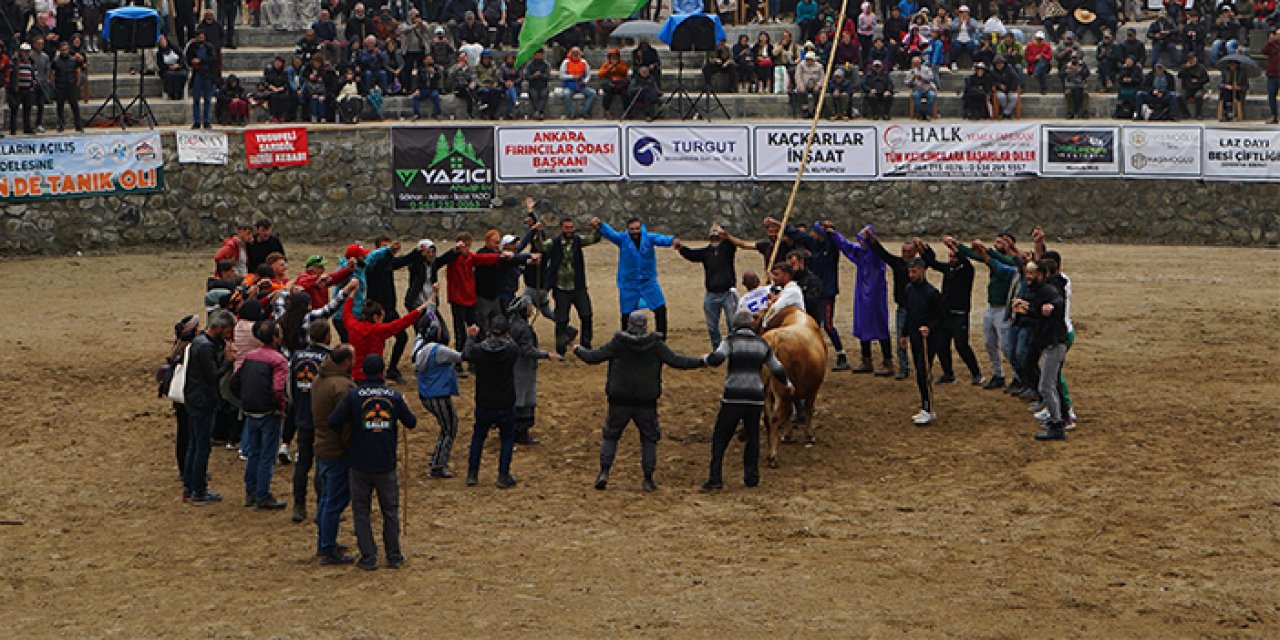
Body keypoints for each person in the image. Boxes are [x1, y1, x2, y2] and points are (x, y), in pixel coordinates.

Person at [575, 311, 705, 492]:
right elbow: (677, 361)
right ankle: (648, 479)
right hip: (646, 401)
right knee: (649, 439)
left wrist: (577, 349)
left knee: (611, 435)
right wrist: (701, 362)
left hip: (619, 400)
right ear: (645, 326)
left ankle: (604, 472)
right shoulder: (655, 345)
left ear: (629, 325)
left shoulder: (618, 344)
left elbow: (593, 357)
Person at [327, 354, 416, 570]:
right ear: (383, 372)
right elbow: (411, 422)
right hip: (385, 461)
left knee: (361, 511)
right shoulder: (394, 396)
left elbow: (333, 421)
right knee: (390, 511)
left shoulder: (353, 396)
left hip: (359, 461)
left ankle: (368, 556)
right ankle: (393, 555)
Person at [701, 311, 791, 491]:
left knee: (720, 437)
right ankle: (751, 477)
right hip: (755, 398)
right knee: (753, 437)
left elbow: (717, 359)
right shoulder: (762, 344)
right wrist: (788, 383)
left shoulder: (731, 341)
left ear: (735, 325)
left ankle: (715, 477)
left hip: (733, 395)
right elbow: (776, 367)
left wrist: (705, 359)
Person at [231, 318, 290, 510]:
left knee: (254, 453)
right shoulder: (279, 360)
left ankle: (251, 492)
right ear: (275, 338)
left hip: (250, 410)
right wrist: (280, 408)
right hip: (268, 412)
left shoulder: (250, 356)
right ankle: (262, 494)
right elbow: (278, 389)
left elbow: (235, 381)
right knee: (267, 455)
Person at [182, 311, 235, 505]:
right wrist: (228, 362)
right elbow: (214, 376)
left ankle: (190, 487)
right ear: (220, 328)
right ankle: (198, 490)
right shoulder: (205, 348)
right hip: (203, 401)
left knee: (194, 444)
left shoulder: (200, 342)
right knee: (201, 447)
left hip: (194, 399)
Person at [461, 317, 521, 488]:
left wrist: (471, 337)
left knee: (478, 437)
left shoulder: (479, 351)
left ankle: (472, 473)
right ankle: (503, 475)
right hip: (505, 401)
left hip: (485, 401)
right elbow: (513, 345)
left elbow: (466, 354)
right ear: (506, 333)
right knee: (507, 439)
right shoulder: (511, 350)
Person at [956, 232, 1020, 391]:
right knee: (989, 343)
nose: (998, 245)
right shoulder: (998, 258)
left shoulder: (1013, 261)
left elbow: (996, 260)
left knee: (1006, 346)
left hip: (1004, 309)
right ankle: (999, 374)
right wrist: (957, 246)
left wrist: (986, 251)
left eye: (1002, 242)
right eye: (997, 241)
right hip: (992, 307)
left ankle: (1018, 377)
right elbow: (977, 256)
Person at [434, 232, 510, 363]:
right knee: (460, 333)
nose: (466, 249)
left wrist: (500, 257)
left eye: (468, 246)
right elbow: (439, 262)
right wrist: (454, 251)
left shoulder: (470, 257)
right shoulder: (452, 258)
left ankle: (473, 359)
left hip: (470, 299)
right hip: (458, 300)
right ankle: (458, 361)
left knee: (475, 329)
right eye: (464, 246)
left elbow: (484, 258)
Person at [312, 344, 357, 565]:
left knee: (326, 498)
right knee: (335, 500)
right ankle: (327, 547)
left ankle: (325, 541)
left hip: (322, 445)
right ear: (346, 362)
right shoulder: (342, 387)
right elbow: (346, 425)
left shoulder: (320, 379)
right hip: (336, 449)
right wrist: (353, 447)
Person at [829, 225, 894, 376]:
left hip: (876, 296)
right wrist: (834, 233)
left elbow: (879, 251)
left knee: (880, 325)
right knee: (863, 324)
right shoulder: (861, 254)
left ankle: (888, 360)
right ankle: (866, 359)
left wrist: (872, 240)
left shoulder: (877, 256)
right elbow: (846, 246)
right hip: (863, 296)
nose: (862, 243)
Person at [1015, 262, 1069, 440]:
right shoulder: (1034, 291)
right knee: (1048, 384)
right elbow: (1036, 314)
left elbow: (1058, 301)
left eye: (1032, 273)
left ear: (1041, 274)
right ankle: (1057, 419)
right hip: (1047, 342)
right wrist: (1027, 308)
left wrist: (1051, 307)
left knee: (1046, 386)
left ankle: (1057, 422)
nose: (1029, 277)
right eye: (1026, 273)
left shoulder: (1048, 290)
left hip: (1054, 343)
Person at [596, 216, 675, 338]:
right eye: (632, 229)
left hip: (648, 281)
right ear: (628, 230)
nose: (635, 232)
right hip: (628, 284)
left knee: (660, 309)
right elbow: (611, 234)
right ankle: (625, 340)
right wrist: (601, 225)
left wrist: (672, 240)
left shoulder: (648, 238)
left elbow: (661, 239)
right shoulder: (622, 239)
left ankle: (661, 339)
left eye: (637, 228)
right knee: (626, 314)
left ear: (641, 228)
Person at [534, 217, 600, 356]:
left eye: (571, 227)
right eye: (566, 227)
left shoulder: (577, 240)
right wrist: (538, 234)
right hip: (561, 287)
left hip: (578, 286)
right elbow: (542, 246)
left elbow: (593, 239)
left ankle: (586, 345)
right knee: (561, 319)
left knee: (586, 315)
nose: (569, 230)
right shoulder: (555, 242)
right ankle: (561, 349)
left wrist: (597, 228)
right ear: (561, 228)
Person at [287, 320, 332, 523]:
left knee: (302, 463)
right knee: (323, 464)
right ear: (326, 337)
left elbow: (289, 388)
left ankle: (299, 504)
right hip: (323, 419)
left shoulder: (297, 357)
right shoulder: (329, 359)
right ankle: (323, 506)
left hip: (302, 414)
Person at [922, 238, 984, 385]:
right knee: (942, 345)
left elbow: (964, 259)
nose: (951, 259)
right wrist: (923, 249)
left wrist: (954, 246)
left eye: (954, 256)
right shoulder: (949, 269)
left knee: (961, 345)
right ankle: (948, 374)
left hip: (959, 314)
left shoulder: (967, 270)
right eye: (950, 256)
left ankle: (977, 373)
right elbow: (932, 263)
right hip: (946, 314)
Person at [411, 310, 462, 478]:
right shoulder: (439, 350)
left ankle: (437, 457)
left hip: (426, 394)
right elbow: (462, 356)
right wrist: (472, 337)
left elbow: (429, 316)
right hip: (438, 395)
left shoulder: (419, 344)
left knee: (446, 425)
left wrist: (432, 300)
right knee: (450, 428)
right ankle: (437, 466)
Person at [341, 285, 427, 382]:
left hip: (355, 375)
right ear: (375, 317)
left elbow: (346, 313)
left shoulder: (353, 326)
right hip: (375, 376)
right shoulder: (378, 330)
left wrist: (351, 295)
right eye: (381, 318)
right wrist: (423, 307)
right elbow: (401, 323)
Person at [867, 230, 921, 380]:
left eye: (909, 251)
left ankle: (920, 368)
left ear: (915, 252)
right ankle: (904, 368)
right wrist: (873, 240)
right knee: (901, 341)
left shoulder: (920, 264)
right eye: (904, 251)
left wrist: (923, 247)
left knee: (917, 342)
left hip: (917, 309)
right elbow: (883, 254)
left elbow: (931, 258)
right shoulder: (898, 263)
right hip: (903, 308)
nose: (906, 254)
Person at [508, 296, 561, 446]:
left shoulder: (511, 324)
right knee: (524, 400)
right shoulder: (523, 328)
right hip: (523, 368)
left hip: (513, 366)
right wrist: (546, 355)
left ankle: (511, 430)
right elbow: (528, 350)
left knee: (516, 399)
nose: (532, 309)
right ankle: (521, 433)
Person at [676, 225, 738, 349]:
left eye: (718, 234)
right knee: (712, 326)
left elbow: (734, 243)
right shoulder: (706, 252)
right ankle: (717, 348)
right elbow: (692, 255)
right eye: (713, 234)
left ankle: (733, 347)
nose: (716, 236)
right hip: (711, 294)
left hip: (728, 293)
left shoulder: (728, 248)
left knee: (732, 323)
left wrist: (727, 236)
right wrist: (681, 248)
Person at [901, 259, 944, 425]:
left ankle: (927, 407)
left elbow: (941, 317)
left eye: (914, 272)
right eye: (910, 272)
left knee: (922, 372)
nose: (911, 275)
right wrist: (904, 334)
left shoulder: (932, 293)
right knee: (920, 372)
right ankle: (925, 406)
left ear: (923, 271)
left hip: (929, 339)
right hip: (914, 337)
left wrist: (929, 328)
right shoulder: (909, 289)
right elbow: (909, 313)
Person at [48, 41, 82, 132]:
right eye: (62, 50)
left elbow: (78, 72)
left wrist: (77, 84)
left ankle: (78, 125)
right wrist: (54, 86)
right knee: (60, 107)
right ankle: (61, 125)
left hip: (71, 86)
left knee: (75, 106)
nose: (64, 52)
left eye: (66, 50)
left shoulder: (73, 60)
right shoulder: (56, 62)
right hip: (60, 86)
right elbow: (52, 75)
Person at [560, 46, 595, 118]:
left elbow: (588, 75)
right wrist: (572, 77)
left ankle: (584, 112)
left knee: (592, 93)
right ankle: (572, 113)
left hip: (581, 85)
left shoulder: (584, 62)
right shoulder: (565, 62)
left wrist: (585, 81)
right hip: (569, 85)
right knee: (566, 94)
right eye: (574, 53)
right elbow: (562, 76)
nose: (575, 55)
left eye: (577, 53)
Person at [598, 48, 630, 118]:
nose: (614, 58)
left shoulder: (622, 64)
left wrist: (617, 67)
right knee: (607, 94)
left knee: (625, 93)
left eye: (615, 56)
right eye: (612, 56)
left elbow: (625, 71)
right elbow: (600, 74)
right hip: (610, 83)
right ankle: (607, 111)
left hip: (620, 84)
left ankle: (626, 111)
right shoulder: (606, 64)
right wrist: (609, 68)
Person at [522, 48, 550, 119]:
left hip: (543, 86)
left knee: (544, 95)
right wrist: (534, 76)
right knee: (534, 96)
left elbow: (548, 76)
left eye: (540, 55)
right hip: (533, 86)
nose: (539, 56)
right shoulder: (530, 65)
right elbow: (527, 77)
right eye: (537, 55)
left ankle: (538, 112)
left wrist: (540, 75)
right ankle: (538, 112)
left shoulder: (546, 64)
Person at [1264, 27, 1280, 123]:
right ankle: (1274, 116)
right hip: (1272, 75)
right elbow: (1263, 51)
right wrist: (1270, 42)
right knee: (1271, 96)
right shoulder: (1271, 45)